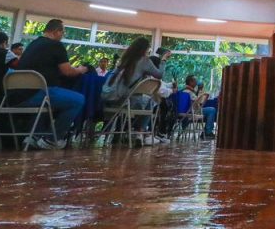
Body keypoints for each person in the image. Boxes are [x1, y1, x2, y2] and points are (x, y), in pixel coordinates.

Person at [15, 19, 87, 149]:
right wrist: (80, 69)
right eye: (63, 32)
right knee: (78, 100)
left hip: (17, 95)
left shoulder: (33, 44)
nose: (62, 35)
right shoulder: (56, 46)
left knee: (47, 101)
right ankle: (52, 139)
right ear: (57, 31)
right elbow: (68, 71)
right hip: (36, 94)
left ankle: (34, 136)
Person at [102, 37, 166, 144]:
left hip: (111, 99)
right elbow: (159, 75)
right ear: (145, 49)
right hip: (127, 102)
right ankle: (139, 132)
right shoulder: (144, 61)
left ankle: (122, 133)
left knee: (136, 100)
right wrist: (163, 60)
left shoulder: (125, 59)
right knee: (151, 101)